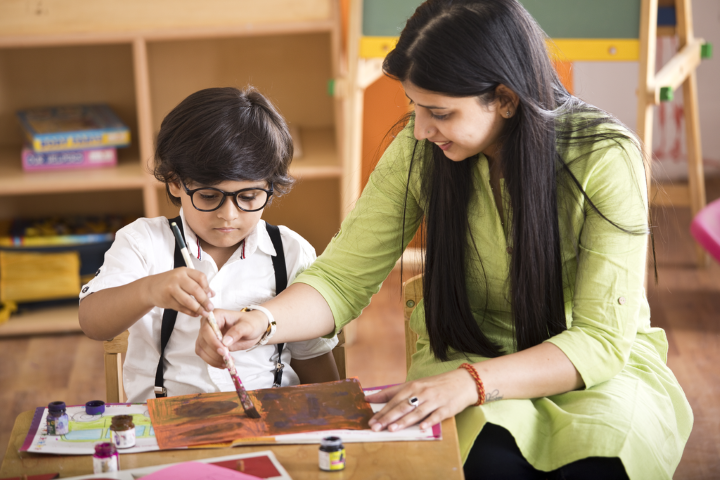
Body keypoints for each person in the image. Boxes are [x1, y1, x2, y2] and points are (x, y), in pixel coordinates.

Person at [194, 2, 692, 479]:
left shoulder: (605, 157)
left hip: (590, 367)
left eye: (440, 112)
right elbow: (342, 279)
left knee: (600, 465)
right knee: (490, 467)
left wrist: (471, 384)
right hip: (468, 351)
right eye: (413, 106)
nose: (421, 128)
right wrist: (261, 321)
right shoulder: (418, 150)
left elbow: (601, 341)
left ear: (504, 97)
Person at [79, 86, 339, 403]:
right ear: (175, 182)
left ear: (270, 186)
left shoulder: (290, 251)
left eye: (249, 197)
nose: (228, 215)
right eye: (208, 196)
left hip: (271, 417)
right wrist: (148, 290)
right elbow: (93, 322)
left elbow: (312, 357)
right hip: (166, 421)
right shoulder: (144, 242)